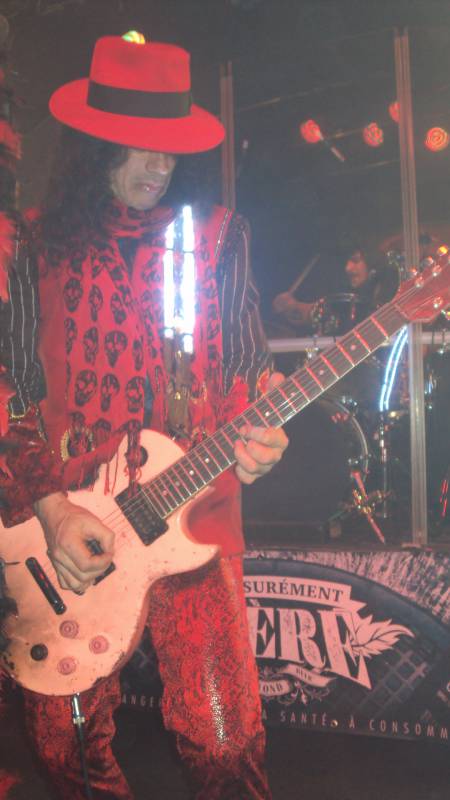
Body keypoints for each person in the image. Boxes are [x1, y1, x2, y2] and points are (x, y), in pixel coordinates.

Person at [0, 34, 288, 800]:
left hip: (193, 516)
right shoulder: (30, 243)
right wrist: (51, 508)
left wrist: (263, 433)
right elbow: (9, 389)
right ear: (94, 147)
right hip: (67, 528)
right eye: (138, 146)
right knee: (64, 750)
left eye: (170, 146)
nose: (159, 165)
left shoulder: (217, 236)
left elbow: (247, 366)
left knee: (227, 744)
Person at [272, 244, 398, 335]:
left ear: (373, 263)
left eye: (355, 261)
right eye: (347, 262)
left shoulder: (391, 296)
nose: (348, 268)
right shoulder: (348, 295)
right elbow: (320, 311)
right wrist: (294, 307)